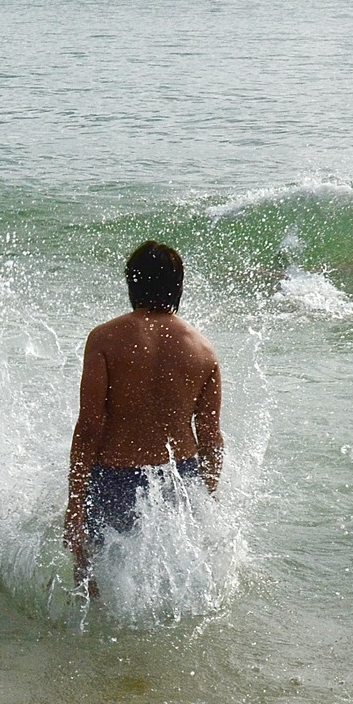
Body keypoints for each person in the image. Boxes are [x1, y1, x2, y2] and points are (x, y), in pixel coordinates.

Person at [64, 242, 223, 589]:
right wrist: (206, 499)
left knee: (91, 581)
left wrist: (74, 504)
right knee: (167, 581)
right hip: (179, 479)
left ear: (131, 284)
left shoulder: (105, 339)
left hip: (113, 478)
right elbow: (211, 438)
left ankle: (89, 640)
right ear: (178, 286)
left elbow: (90, 425)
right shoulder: (203, 350)